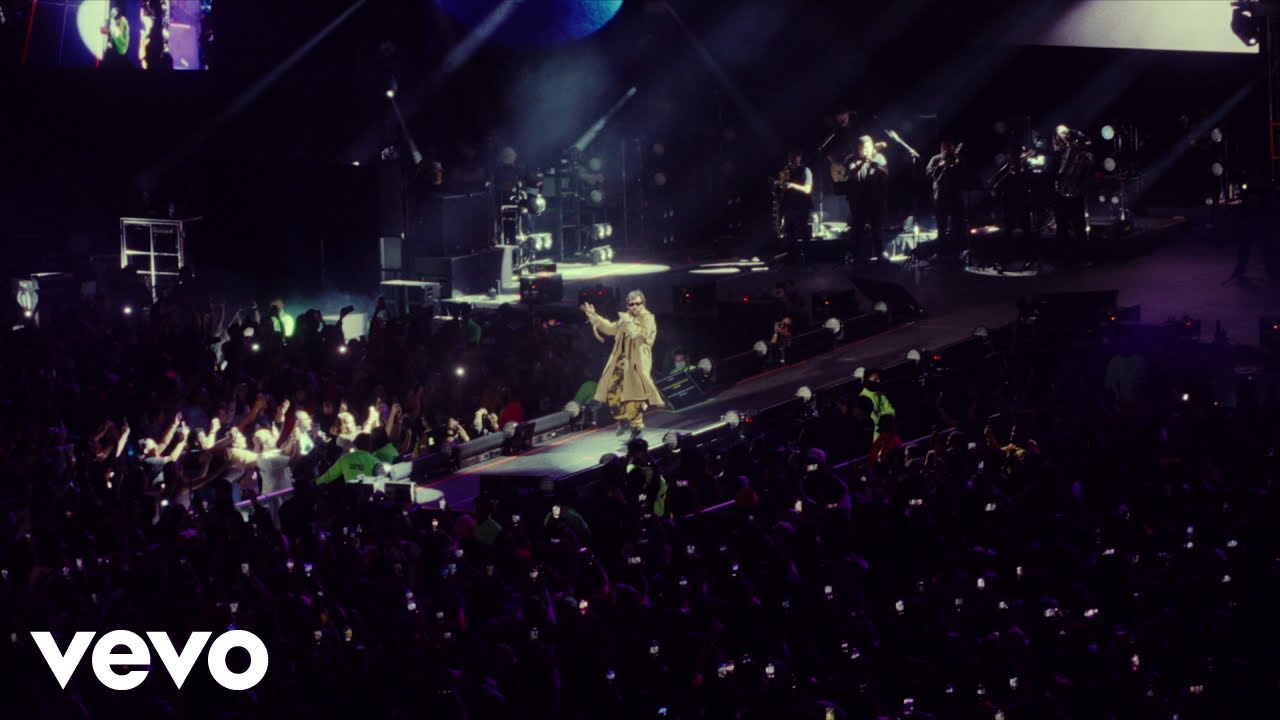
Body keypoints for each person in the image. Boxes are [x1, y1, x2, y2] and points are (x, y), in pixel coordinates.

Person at [582, 290, 665, 440]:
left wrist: (628, 321)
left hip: (636, 363)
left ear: (643, 304)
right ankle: (623, 419)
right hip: (620, 362)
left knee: (634, 397)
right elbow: (610, 329)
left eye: (637, 304)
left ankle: (636, 427)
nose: (634, 307)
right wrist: (594, 316)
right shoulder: (625, 318)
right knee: (612, 393)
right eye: (631, 304)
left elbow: (640, 335)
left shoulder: (648, 318)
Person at [1053, 124, 1094, 263]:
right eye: (1061, 133)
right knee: (1061, 228)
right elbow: (1052, 174)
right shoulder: (1056, 154)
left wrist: (1080, 173)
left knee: (1080, 228)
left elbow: (1087, 170)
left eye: (1066, 132)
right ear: (1057, 137)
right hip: (1061, 195)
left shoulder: (1079, 151)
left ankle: (1084, 258)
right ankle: (1062, 259)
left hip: (1076, 194)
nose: (1065, 135)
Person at [849, 135, 889, 261]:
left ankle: (880, 255)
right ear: (858, 148)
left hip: (876, 199)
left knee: (877, 228)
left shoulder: (879, 157)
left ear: (872, 147)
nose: (865, 150)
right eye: (862, 148)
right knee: (857, 230)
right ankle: (858, 257)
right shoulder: (853, 159)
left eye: (867, 147)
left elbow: (886, 173)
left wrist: (875, 165)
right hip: (859, 200)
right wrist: (863, 162)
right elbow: (851, 173)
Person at [926, 139, 965, 257]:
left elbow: (963, 173)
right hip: (940, 197)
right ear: (941, 148)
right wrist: (941, 165)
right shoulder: (936, 159)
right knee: (941, 226)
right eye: (945, 147)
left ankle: (956, 251)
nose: (947, 150)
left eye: (950, 147)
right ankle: (941, 252)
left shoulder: (956, 159)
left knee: (957, 225)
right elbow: (928, 174)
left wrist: (957, 162)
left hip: (955, 196)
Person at [778, 149, 814, 260]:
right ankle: (792, 257)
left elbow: (807, 190)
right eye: (790, 157)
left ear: (799, 158)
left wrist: (793, 185)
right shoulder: (786, 170)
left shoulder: (805, 171)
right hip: (789, 206)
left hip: (802, 206)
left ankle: (807, 257)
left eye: (795, 157)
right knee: (790, 232)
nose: (792, 160)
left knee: (803, 232)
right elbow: (783, 187)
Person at [859, 369, 896, 441]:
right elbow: (874, 421)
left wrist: (881, 414)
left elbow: (892, 412)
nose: (878, 381)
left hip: (889, 435)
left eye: (879, 379)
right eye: (876, 379)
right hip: (876, 440)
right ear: (867, 380)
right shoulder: (863, 398)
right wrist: (884, 414)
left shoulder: (880, 394)